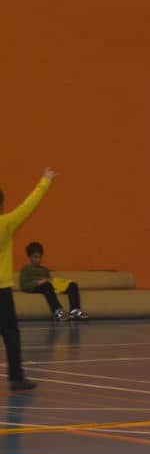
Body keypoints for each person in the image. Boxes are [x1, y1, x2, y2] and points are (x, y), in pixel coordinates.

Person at [0, 168, 56, 392]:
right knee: (10, 333)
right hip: (1, 291)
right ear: (2, 204)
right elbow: (28, 206)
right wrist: (45, 181)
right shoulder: (6, 224)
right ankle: (16, 378)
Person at [20, 242, 86, 321]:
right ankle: (57, 312)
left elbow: (50, 282)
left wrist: (54, 282)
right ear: (29, 257)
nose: (38, 260)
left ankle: (75, 311)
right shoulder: (25, 269)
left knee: (72, 285)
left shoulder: (44, 270)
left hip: (49, 286)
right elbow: (23, 285)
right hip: (37, 287)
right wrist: (38, 282)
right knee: (47, 285)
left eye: (40, 257)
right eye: (35, 257)